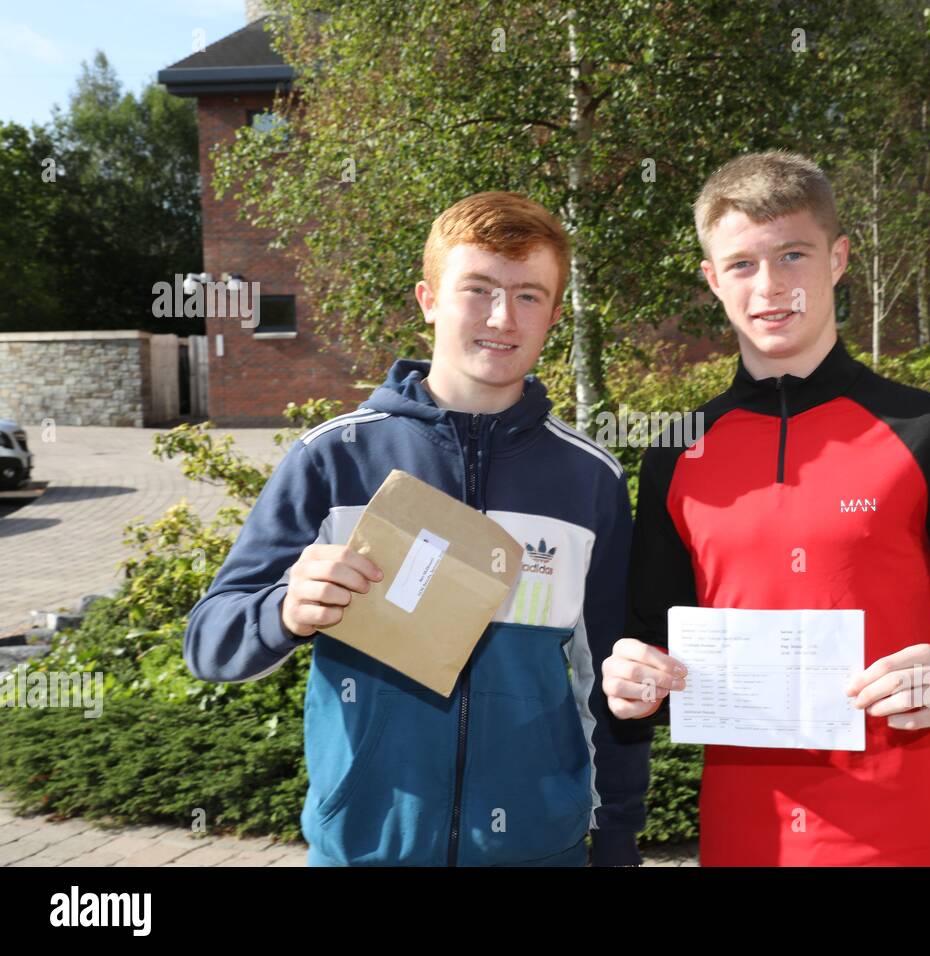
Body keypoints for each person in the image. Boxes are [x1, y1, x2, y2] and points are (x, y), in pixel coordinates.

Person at [185, 191, 649, 866]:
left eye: (528, 295)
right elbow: (209, 643)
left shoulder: (590, 481)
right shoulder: (333, 459)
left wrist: (616, 838)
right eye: (478, 289)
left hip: (541, 851)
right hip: (364, 850)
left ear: (554, 314)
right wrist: (282, 610)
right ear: (429, 299)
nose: (501, 317)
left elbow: (613, 681)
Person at [603, 151, 930, 866]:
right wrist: (632, 679)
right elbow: (655, 640)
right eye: (741, 264)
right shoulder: (675, 453)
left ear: (837, 258)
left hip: (904, 830)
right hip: (747, 832)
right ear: (712, 280)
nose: (770, 287)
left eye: (793, 255)